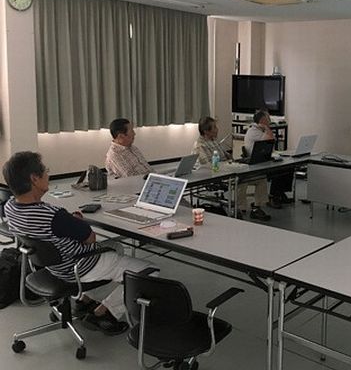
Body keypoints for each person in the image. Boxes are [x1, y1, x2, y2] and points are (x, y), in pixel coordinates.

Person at [2, 151, 156, 335]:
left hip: (52, 265)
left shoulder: (10, 207)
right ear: (34, 179)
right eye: (45, 170)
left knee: (116, 247)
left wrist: (70, 222)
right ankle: (104, 313)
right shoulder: (53, 216)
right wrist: (74, 222)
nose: (48, 174)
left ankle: (83, 299)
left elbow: (48, 228)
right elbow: (90, 238)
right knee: (150, 271)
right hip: (78, 266)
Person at [193, 116, 271, 221]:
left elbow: (226, 156)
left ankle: (257, 208)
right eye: (214, 127)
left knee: (260, 178)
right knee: (241, 179)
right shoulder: (199, 146)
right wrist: (228, 165)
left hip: (227, 169)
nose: (217, 129)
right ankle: (239, 209)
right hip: (215, 175)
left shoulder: (214, 141)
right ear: (206, 131)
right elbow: (207, 166)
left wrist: (234, 160)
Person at [244, 110, 294, 207]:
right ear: (263, 120)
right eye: (268, 118)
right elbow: (271, 139)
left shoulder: (260, 130)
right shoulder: (253, 131)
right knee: (279, 170)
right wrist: (267, 127)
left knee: (289, 167)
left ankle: (280, 193)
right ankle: (273, 197)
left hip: (264, 159)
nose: (270, 121)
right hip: (256, 163)